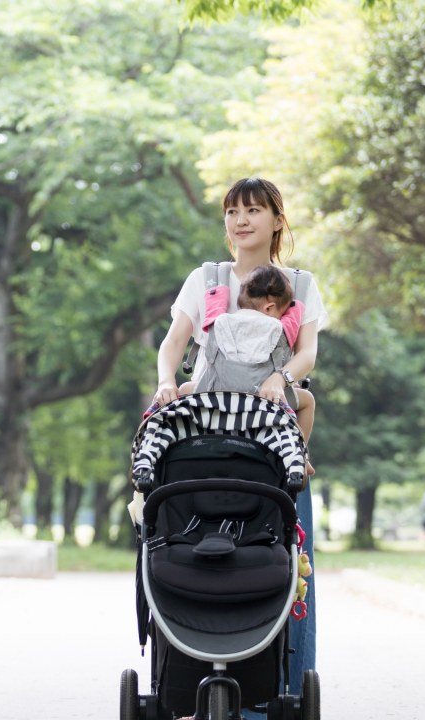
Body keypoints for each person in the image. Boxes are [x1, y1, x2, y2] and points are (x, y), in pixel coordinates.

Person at [153, 177, 328, 711]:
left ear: (277, 220)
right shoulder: (205, 279)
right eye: (232, 211)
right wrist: (166, 381)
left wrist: (282, 379)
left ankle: (280, 695)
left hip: (273, 449)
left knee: (290, 569)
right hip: (206, 439)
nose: (241, 220)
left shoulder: (300, 284)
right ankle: (184, 680)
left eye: (253, 210)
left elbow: (307, 352)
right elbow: (175, 343)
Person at [176, 264, 317, 447]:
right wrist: (292, 306)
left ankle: (181, 444)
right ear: (269, 308)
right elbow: (295, 318)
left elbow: (213, 307)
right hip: (264, 396)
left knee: (183, 390)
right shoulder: (279, 328)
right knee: (308, 401)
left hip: (217, 392)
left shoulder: (219, 321)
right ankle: (300, 453)